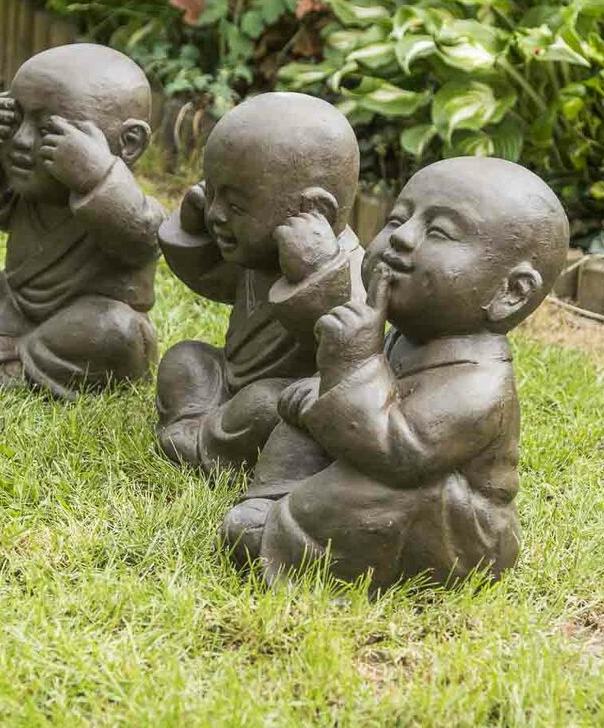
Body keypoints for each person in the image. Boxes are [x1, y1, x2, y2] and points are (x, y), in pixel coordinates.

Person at [222, 156, 569, 590]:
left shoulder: (480, 385)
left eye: (439, 232)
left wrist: (353, 365)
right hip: (386, 458)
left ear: (510, 292)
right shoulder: (409, 337)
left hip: (456, 527)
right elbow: (374, 403)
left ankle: (289, 537)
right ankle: (271, 502)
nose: (401, 237)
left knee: (374, 490)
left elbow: (399, 454)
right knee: (309, 414)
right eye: (398, 218)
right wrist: (329, 388)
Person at [0, 44, 166, 398]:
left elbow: (142, 239)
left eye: (50, 130)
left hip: (85, 329)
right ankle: (14, 359)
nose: (22, 140)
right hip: (18, 310)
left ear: (128, 143)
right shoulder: (32, 195)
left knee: (117, 332)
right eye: (15, 119)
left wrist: (97, 180)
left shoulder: (129, 205)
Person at [156, 92, 364, 474]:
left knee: (264, 405)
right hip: (229, 384)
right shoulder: (256, 256)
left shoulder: (349, 271)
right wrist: (191, 230)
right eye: (212, 193)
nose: (216, 213)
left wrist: (318, 274)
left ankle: (204, 445)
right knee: (185, 359)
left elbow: (347, 349)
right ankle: (191, 424)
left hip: (289, 401)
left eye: (235, 206)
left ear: (314, 211)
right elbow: (209, 279)